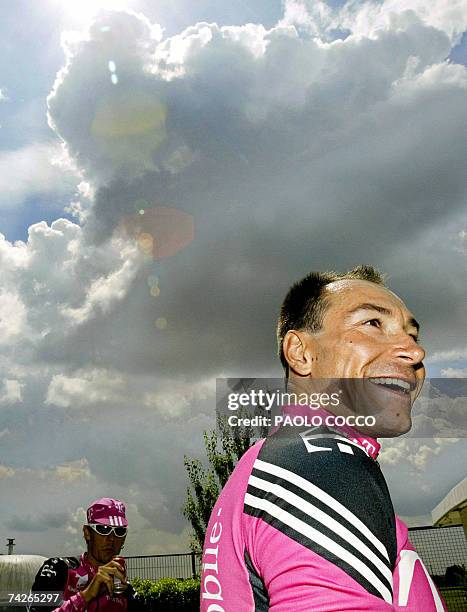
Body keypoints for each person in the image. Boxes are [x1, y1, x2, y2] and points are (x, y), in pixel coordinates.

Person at [200, 266, 446, 611]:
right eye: (372, 324)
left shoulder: (278, 457)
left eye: (413, 336)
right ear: (301, 353)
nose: (415, 352)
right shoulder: (321, 463)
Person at [30, 497, 141, 611]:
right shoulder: (58, 569)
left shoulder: (127, 592)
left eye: (119, 531)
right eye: (103, 529)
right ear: (87, 532)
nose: (111, 538)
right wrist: (86, 596)